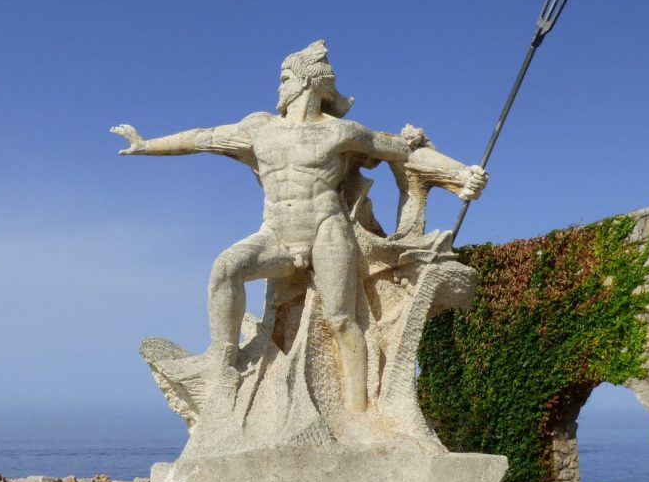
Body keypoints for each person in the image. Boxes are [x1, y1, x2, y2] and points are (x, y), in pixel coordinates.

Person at [112, 40, 485, 413]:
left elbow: (406, 150)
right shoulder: (260, 129)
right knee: (225, 268)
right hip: (276, 234)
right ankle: (221, 365)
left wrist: (460, 173)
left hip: (327, 229)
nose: (280, 85)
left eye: (286, 77)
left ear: (308, 82)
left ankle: (359, 410)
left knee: (342, 320)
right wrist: (146, 145)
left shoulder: (341, 132)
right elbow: (201, 138)